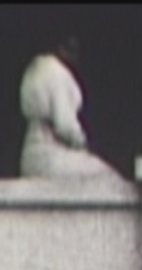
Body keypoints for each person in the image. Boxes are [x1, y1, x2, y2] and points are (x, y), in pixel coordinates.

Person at [18, 35, 123, 179]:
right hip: (51, 154)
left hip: (29, 155)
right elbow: (64, 124)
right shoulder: (56, 71)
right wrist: (82, 143)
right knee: (107, 176)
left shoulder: (35, 69)